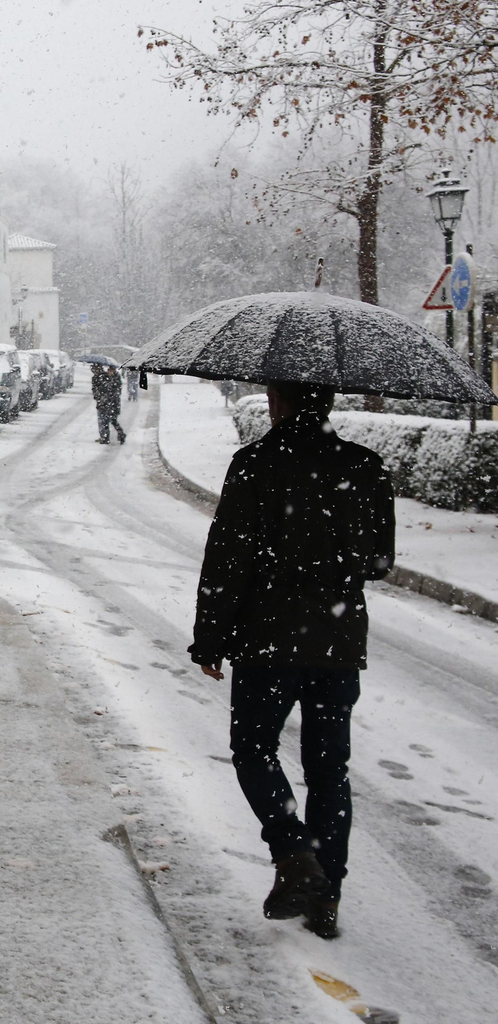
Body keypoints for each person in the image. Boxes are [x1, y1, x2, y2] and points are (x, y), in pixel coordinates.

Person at [190, 381, 395, 940]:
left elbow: (228, 558)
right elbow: (379, 561)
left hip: (268, 639)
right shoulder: (365, 465)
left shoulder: (255, 465)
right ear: (328, 402)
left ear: (278, 401)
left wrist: (210, 638)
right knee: (329, 771)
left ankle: (293, 850)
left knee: (254, 749)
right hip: (337, 642)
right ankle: (326, 896)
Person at [91, 365, 125, 444]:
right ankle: (115, 435)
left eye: (111, 370)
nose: (109, 372)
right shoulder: (105, 378)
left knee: (111, 420)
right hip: (106, 403)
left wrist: (109, 396)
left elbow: (116, 391)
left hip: (112, 403)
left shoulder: (115, 379)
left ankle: (110, 437)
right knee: (108, 421)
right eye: (109, 370)